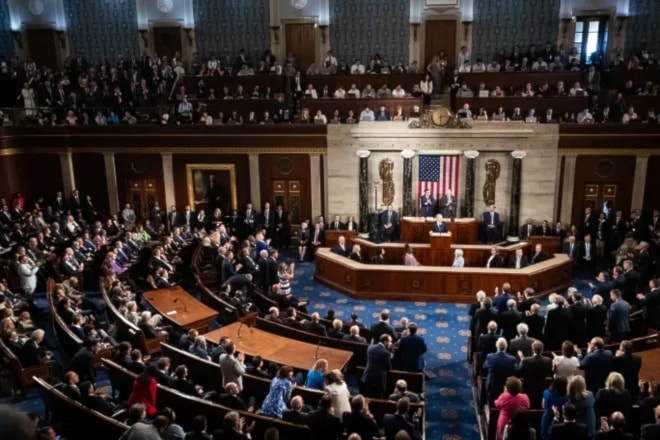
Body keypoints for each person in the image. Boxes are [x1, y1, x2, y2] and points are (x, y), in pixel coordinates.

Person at [518, 340, 552, 409]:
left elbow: (520, 373)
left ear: (532, 349)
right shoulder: (548, 360)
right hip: (542, 388)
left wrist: (522, 360)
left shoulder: (525, 361)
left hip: (528, 389)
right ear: (542, 349)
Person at [484, 338, 517, 405]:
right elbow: (515, 371)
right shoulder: (512, 359)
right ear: (506, 347)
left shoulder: (490, 356)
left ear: (496, 346)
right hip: (506, 386)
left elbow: (484, 367)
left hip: (493, 385)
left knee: (492, 402)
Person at [360, 334, 393, 398]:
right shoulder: (386, 353)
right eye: (390, 341)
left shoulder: (370, 347)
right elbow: (389, 368)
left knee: (367, 396)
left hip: (367, 377)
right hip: (378, 381)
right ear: (385, 342)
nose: (391, 343)